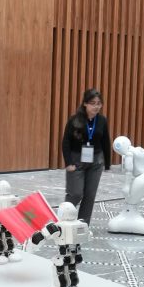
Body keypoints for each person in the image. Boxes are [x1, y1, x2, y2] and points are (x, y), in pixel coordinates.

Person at [61, 89, 111, 226]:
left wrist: (107, 164)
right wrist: (68, 163)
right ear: (85, 104)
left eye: (99, 103)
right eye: (92, 103)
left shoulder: (102, 120)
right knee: (75, 193)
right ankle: (63, 222)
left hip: (96, 161)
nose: (96, 106)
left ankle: (83, 225)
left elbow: (106, 141)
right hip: (76, 160)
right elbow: (66, 142)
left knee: (90, 195)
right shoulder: (74, 120)